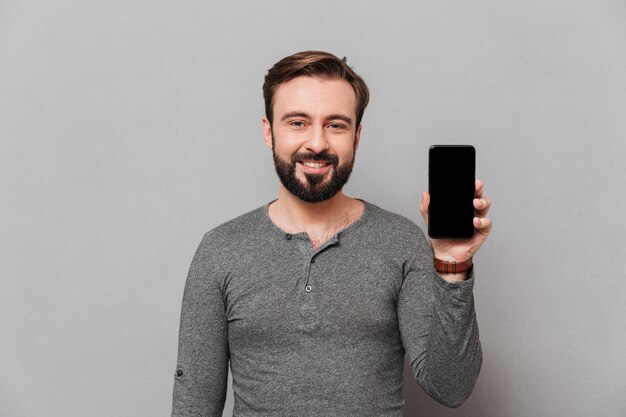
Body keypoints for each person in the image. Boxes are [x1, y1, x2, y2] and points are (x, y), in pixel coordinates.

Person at [171, 50, 492, 417]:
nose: (317, 143)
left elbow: (451, 387)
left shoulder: (401, 243)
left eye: (336, 125)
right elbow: (194, 402)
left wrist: (453, 267)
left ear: (356, 137)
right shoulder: (220, 251)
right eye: (297, 122)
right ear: (268, 131)